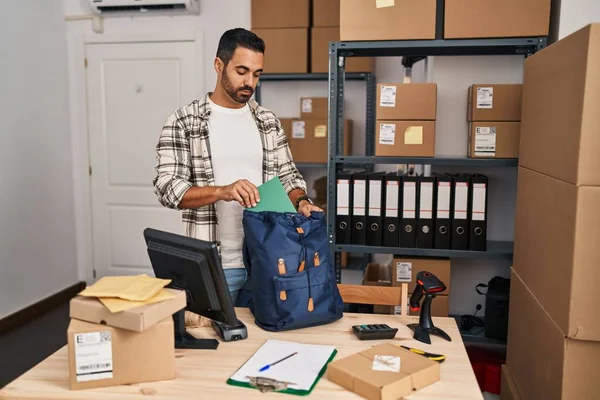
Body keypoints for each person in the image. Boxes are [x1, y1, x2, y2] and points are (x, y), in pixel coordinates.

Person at [153, 28, 322, 307]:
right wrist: (223, 191)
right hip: (215, 264)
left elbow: (289, 177)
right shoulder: (184, 121)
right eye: (242, 71)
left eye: (257, 74)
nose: (249, 82)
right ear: (219, 65)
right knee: (217, 345)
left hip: (269, 259)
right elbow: (168, 189)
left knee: (266, 341)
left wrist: (302, 201)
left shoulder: (267, 120)